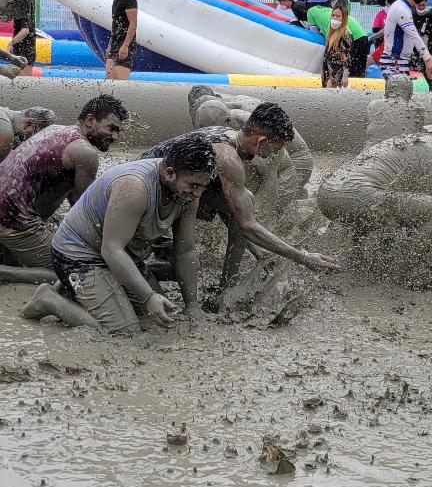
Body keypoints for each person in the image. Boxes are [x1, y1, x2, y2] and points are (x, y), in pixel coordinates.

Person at [22, 134, 215, 333]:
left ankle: (80, 291)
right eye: (193, 186)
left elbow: (185, 252)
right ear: (169, 173)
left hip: (121, 254)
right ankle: (49, 300)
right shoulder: (134, 188)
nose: (198, 194)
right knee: (125, 331)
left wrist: (192, 306)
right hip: (78, 255)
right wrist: (149, 296)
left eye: (203, 187)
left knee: (158, 320)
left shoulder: (188, 194)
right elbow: (111, 250)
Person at [140, 104, 338, 286]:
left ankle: (227, 285)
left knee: (242, 206)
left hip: (168, 189)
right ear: (260, 141)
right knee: (185, 267)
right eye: (274, 150)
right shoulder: (228, 159)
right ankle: (136, 274)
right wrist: (302, 257)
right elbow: (248, 226)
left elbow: (242, 220)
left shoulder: (230, 136)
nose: (269, 156)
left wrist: (264, 252)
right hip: (145, 196)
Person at [0, 95, 126, 284]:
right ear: (90, 120)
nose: (115, 136)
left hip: (7, 211)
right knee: (75, 272)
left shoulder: (54, 129)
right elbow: (87, 211)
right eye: (111, 128)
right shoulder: (86, 154)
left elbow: (74, 197)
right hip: (11, 222)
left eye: (118, 131)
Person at [317, 110, 432, 237]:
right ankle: (405, 274)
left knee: (383, 205)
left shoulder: (413, 139)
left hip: (327, 194)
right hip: (357, 195)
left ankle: (358, 258)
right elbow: (416, 215)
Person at [186, 86, 314, 202]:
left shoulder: (245, 123)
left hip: (297, 159)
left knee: (264, 204)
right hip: (275, 151)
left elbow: (269, 175)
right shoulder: (212, 111)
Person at [379, 0, 432, 81]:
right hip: (394, 60)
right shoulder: (401, 9)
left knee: (401, 95)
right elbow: (414, 35)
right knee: (398, 94)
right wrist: (428, 59)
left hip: (400, 60)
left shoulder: (405, 7)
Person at [365, 74, 426, 147]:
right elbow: (418, 134)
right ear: (409, 92)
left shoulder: (373, 104)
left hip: (372, 151)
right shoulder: (417, 107)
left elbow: (367, 129)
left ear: (387, 90)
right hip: (400, 153)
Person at [103, 0, 138, 81]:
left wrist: (125, 46)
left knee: (119, 84)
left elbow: (133, 24)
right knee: (109, 78)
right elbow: (116, 25)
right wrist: (110, 46)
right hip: (115, 44)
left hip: (125, 44)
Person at [4, 0, 35, 77]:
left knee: (23, 81)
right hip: (26, 49)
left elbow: (25, 31)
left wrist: (11, 43)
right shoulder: (26, 7)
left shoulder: (23, 9)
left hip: (24, 51)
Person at [322, 5, 353, 88]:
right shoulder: (331, 33)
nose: (335, 18)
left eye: (338, 16)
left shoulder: (345, 35)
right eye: (333, 15)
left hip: (337, 73)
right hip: (327, 71)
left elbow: (347, 57)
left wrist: (345, 76)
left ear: (344, 19)